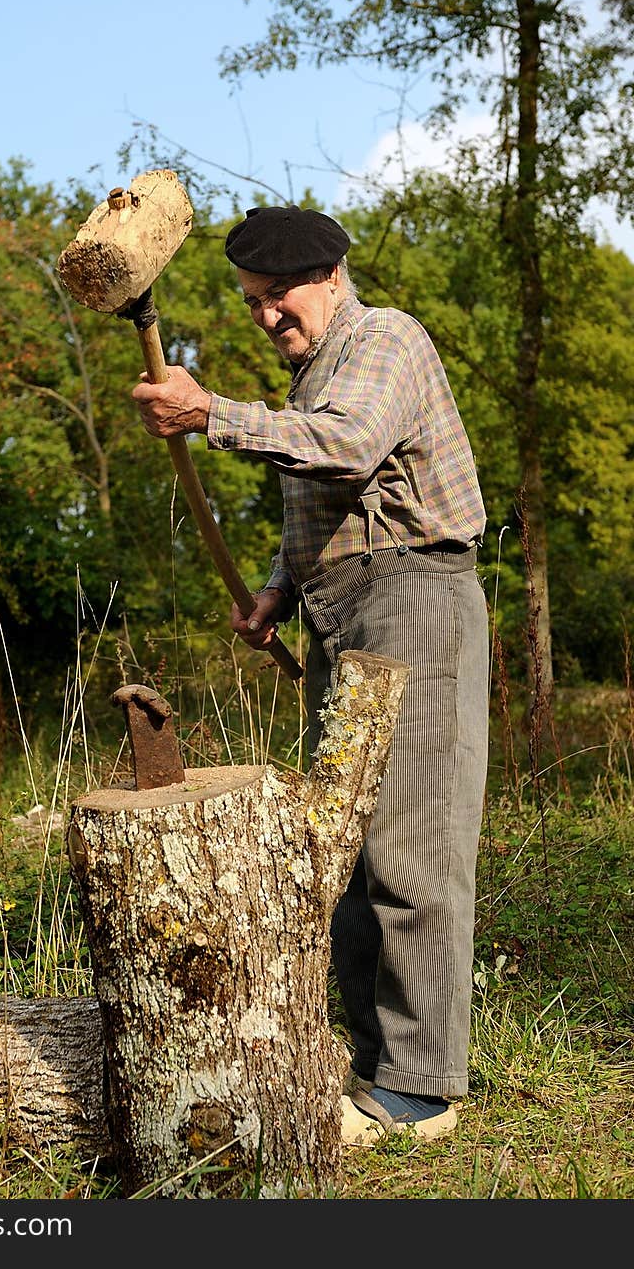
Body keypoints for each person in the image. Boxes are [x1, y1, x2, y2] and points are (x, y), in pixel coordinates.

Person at [131, 204, 489, 1145]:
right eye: (251, 300)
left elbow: (351, 445)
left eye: (276, 295)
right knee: (348, 845)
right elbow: (334, 505)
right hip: (343, 606)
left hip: (414, 599)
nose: (264, 315)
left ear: (329, 276)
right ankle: (373, 1063)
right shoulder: (314, 371)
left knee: (413, 850)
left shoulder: (384, 342)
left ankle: (420, 1088)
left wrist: (210, 413)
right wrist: (276, 592)